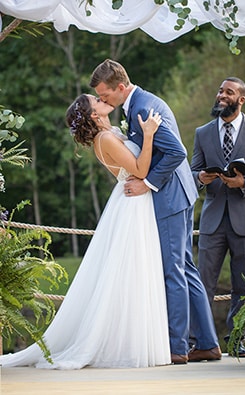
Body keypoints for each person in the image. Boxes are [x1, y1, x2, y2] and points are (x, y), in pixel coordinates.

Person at [0, 94, 172, 369]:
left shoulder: (111, 133)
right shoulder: (104, 140)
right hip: (133, 203)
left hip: (136, 201)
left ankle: (134, 341)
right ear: (93, 114)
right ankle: (128, 346)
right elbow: (140, 169)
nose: (101, 98)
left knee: (134, 271)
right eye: (96, 99)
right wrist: (149, 135)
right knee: (132, 270)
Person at [90, 59, 221, 364]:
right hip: (179, 194)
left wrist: (148, 183)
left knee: (173, 270)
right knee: (185, 269)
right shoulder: (138, 104)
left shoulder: (143, 108)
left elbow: (177, 152)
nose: (104, 100)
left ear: (120, 87)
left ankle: (177, 347)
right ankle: (207, 343)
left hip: (170, 197)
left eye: (105, 95)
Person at [191, 77, 245, 357]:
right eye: (220, 90)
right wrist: (200, 176)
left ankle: (236, 341)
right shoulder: (202, 132)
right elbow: (193, 171)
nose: (221, 95)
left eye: (228, 92)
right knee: (202, 282)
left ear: (241, 99)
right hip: (212, 219)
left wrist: (244, 184)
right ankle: (200, 342)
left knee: (241, 285)